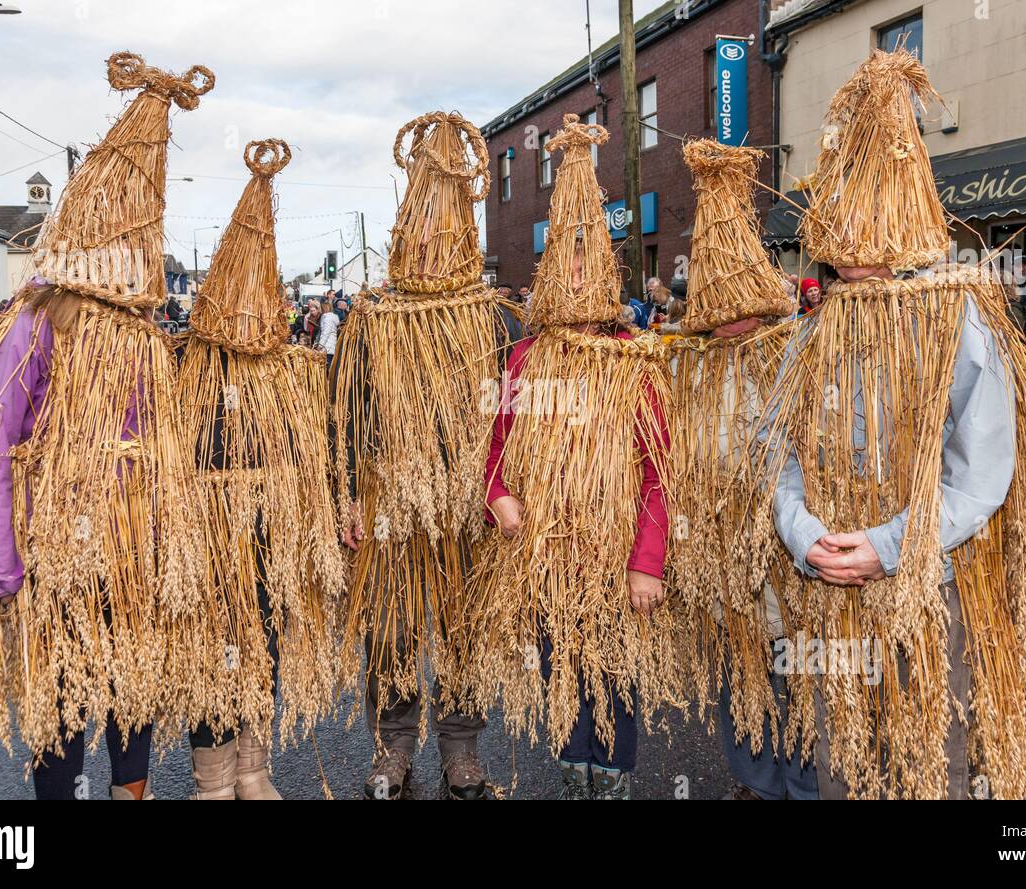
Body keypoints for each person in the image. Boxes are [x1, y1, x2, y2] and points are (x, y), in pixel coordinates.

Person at [757, 48, 1026, 799]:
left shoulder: (956, 325)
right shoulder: (808, 334)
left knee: (928, 764)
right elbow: (776, 449)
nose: (854, 253)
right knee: (844, 761)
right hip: (825, 586)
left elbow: (980, 474)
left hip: (922, 582)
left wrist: (886, 547)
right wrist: (802, 531)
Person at [0, 51, 214, 799]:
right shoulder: (38, 325)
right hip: (58, 546)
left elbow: (167, 450)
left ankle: (133, 789)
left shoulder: (143, 336)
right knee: (61, 693)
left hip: (135, 549)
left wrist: (174, 544)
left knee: (133, 686)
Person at [460, 114, 673, 801]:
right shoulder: (523, 358)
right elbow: (494, 448)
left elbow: (657, 472)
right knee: (561, 671)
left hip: (612, 559)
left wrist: (646, 562)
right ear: (550, 279)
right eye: (566, 273)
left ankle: (611, 782)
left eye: (589, 273)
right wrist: (498, 495)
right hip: (545, 558)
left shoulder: (633, 365)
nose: (577, 286)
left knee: (613, 676)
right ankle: (574, 775)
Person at [333, 112, 504, 800]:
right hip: (390, 502)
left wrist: (503, 488)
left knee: (465, 626)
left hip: (468, 502)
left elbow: (513, 420)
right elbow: (344, 416)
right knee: (393, 629)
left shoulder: (493, 316)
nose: (432, 248)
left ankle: (461, 745)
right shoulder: (370, 320)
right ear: (404, 231)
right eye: (421, 235)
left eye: (446, 234)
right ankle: (393, 746)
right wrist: (348, 495)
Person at [175, 139, 343, 800]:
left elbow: (315, 449)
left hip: (269, 534)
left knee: (262, 645)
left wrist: (316, 515)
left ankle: (253, 765)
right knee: (213, 647)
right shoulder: (185, 363)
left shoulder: (289, 371)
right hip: (207, 533)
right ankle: (212, 776)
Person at [667, 138, 812, 800]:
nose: (731, 323)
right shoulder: (682, 365)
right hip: (718, 553)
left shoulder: (798, 353)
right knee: (736, 667)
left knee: (797, 669)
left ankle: (803, 781)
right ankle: (754, 779)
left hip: (789, 549)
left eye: (741, 307)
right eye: (718, 312)